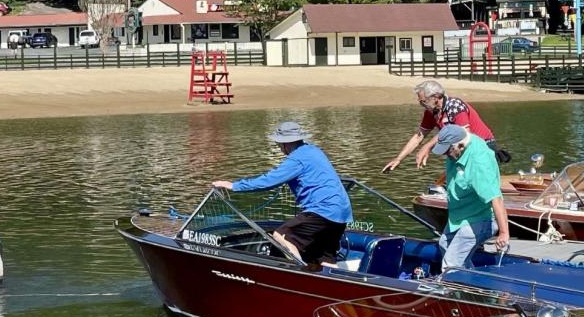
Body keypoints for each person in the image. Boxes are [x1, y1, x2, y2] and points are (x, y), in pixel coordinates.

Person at [211, 122, 352, 267]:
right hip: (342, 212)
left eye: (279, 144)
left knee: (281, 236)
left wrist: (234, 186)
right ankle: (333, 279)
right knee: (324, 257)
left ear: (286, 144)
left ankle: (300, 272)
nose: (279, 147)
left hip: (322, 210)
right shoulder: (314, 151)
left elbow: (268, 181)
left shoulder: (296, 159)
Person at [431, 124, 510, 270]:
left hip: (481, 218)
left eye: (447, 151)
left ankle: (452, 283)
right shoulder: (460, 144)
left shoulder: (479, 163)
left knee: (451, 263)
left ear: (460, 146)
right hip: (460, 216)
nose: (445, 155)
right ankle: (470, 278)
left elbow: (496, 198)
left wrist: (504, 233)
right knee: (444, 244)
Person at [383, 80, 508, 172]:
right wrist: (398, 159)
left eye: (423, 101)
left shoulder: (455, 106)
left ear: (436, 97)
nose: (421, 104)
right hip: (459, 148)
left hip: (482, 146)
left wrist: (427, 146)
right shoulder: (430, 112)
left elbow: (463, 134)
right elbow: (418, 136)